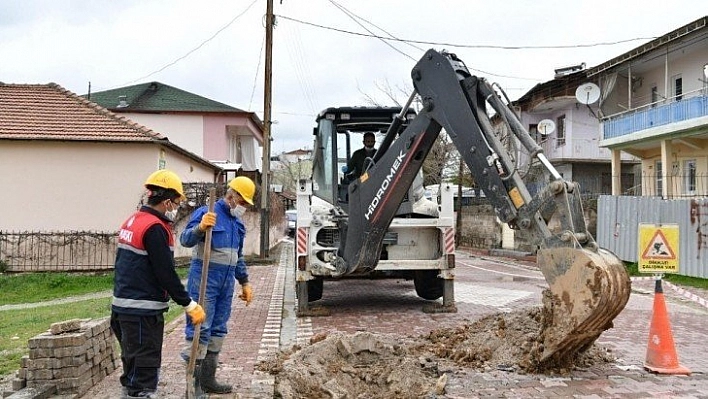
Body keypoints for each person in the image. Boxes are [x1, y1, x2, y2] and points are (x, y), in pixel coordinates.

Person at [111, 169, 206, 399]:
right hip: (142, 312)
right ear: (166, 201)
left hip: (122, 308)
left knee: (132, 368)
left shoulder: (133, 220)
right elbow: (165, 273)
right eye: (175, 202)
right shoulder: (154, 228)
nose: (176, 208)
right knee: (143, 375)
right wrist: (189, 304)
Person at [180, 176, 256, 394]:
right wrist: (201, 228)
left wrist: (245, 282)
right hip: (204, 280)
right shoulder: (207, 213)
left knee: (218, 330)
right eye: (242, 203)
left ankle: (208, 381)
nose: (243, 208)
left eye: (246, 205)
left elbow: (238, 257)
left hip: (225, 285)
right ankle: (192, 387)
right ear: (231, 196)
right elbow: (185, 240)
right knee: (200, 329)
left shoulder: (237, 224)